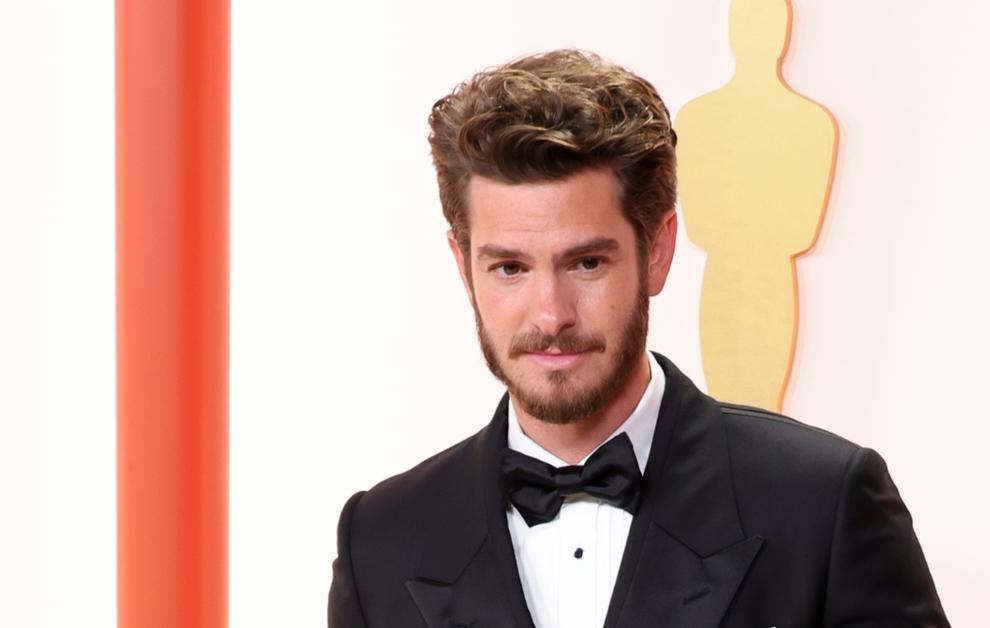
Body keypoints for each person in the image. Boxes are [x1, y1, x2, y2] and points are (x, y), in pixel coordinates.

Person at [328, 49, 950, 628]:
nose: (551, 314)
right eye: (510, 268)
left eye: (586, 263)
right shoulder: (380, 538)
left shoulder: (825, 503)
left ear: (657, 250)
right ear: (464, 267)